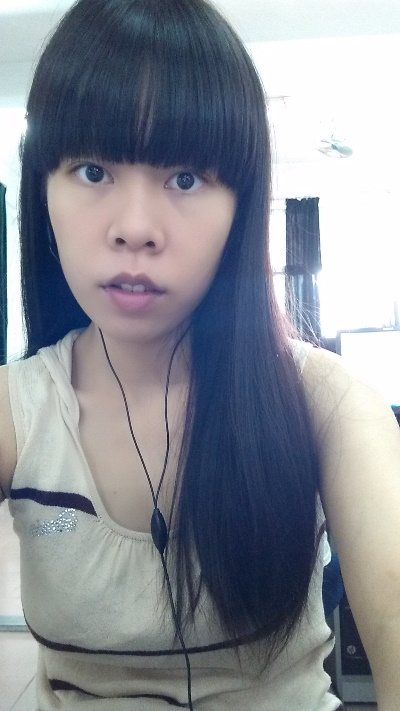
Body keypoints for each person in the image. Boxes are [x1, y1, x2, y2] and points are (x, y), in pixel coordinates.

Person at [0, 0, 400, 709]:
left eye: (185, 178)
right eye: (92, 170)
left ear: (241, 207)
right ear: (43, 191)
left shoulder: (326, 403)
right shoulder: (15, 412)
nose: (135, 228)